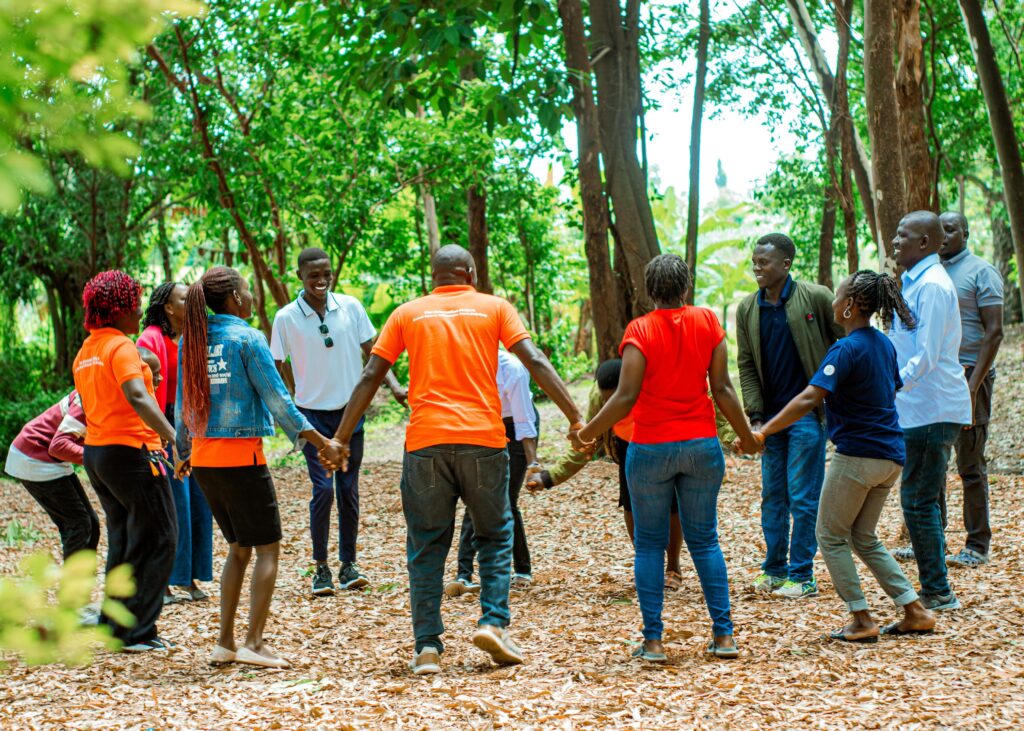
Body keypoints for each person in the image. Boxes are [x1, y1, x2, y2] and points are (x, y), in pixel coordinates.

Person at [319, 244, 583, 676]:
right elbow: (533, 359)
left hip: (425, 445)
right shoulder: (495, 308)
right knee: (495, 534)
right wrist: (575, 417)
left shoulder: (407, 313)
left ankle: (427, 647)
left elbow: (371, 374)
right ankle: (493, 623)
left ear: (434, 277)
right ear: (471, 274)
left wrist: (339, 437)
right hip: (483, 441)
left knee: (426, 545)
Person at [575, 254, 760, 662]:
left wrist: (587, 432)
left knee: (648, 545)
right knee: (705, 540)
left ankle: (654, 642)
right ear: (686, 286)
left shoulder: (639, 330)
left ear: (649, 291)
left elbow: (624, 396)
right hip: (700, 446)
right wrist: (747, 436)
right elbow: (723, 389)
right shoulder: (708, 322)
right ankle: (724, 637)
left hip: (650, 448)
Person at [743, 271, 936, 642]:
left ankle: (861, 618)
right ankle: (915, 610)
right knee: (863, 537)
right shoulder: (883, 344)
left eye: (838, 296)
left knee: (829, 534)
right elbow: (889, 390)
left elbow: (809, 397)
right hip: (890, 457)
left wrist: (764, 430)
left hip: (858, 457)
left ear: (849, 306)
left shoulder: (845, 349)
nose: (832, 301)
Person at [176, 266, 335, 669]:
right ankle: (255, 643)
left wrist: (182, 451)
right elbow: (279, 401)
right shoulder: (247, 338)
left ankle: (225, 643)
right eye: (247, 291)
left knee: (239, 548)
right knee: (267, 549)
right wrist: (323, 442)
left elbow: (182, 404)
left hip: (205, 462)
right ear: (234, 298)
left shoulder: (191, 340)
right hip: (241, 459)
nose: (250, 298)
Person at [271, 248, 407, 596]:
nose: (321, 280)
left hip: (350, 413)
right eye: (313, 275)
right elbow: (276, 365)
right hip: (311, 418)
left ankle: (349, 565)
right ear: (300, 276)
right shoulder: (286, 318)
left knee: (348, 490)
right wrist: (289, 403)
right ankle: (321, 568)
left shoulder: (351, 307)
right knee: (322, 490)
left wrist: (394, 386)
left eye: (326, 273)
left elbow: (375, 354)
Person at [72, 270, 178, 653]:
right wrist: (174, 437)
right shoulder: (121, 347)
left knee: (124, 539)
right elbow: (136, 394)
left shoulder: (85, 352)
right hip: (133, 453)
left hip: (99, 455)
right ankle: (138, 632)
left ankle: (114, 625)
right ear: (117, 309)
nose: (138, 310)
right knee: (161, 537)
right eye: (133, 304)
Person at [736, 233, 843, 599]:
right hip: (769, 421)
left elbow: (846, 340)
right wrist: (754, 417)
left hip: (808, 416)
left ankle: (802, 575)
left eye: (763, 262)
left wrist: (833, 390)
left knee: (803, 496)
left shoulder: (815, 297)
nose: (757, 268)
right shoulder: (747, 308)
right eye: (754, 262)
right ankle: (774, 569)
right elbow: (746, 364)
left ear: (786, 264)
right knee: (773, 497)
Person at [525, 359, 686, 590]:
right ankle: (649, 565)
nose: (612, 406)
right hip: (626, 447)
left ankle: (673, 567)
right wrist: (549, 477)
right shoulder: (598, 398)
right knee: (631, 505)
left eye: (616, 399)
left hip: (662, 443)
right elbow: (587, 443)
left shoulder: (654, 388)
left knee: (672, 505)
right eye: (607, 400)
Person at [889, 211, 972, 612]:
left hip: (932, 408)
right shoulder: (913, 283)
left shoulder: (934, 286)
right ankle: (936, 587)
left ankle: (937, 591)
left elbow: (927, 356)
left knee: (919, 501)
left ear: (924, 243)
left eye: (902, 235)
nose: (894, 241)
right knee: (923, 498)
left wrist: (888, 384)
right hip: (917, 408)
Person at [139, 281, 213, 603]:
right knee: (175, 504)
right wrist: (161, 434)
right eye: (185, 299)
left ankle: (189, 577)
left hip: (192, 424)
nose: (192, 304)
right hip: (164, 425)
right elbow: (145, 392)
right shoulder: (151, 338)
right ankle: (166, 581)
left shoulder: (193, 337)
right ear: (168, 307)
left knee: (198, 502)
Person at [939, 211, 1004, 568]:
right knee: (932, 462)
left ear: (964, 233)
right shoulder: (931, 272)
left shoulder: (981, 272)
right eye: (939, 230)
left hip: (969, 376)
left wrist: (972, 385)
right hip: (937, 377)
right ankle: (931, 541)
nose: (944, 235)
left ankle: (977, 545)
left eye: (950, 229)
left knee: (970, 463)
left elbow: (994, 332)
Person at [446, 349, 539, 597]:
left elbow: (524, 421)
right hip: (485, 424)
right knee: (475, 496)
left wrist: (532, 463)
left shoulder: (511, 369)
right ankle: (463, 574)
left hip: (516, 426)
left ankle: (522, 569)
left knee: (506, 498)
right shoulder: (463, 363)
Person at [3, 390, 95, 560]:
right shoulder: (88, 396)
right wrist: (99, 459)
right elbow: (59, 446)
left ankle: (83, 575)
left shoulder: (103, 394)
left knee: (91, 524)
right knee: (78, 525)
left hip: (51, 459)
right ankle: (73, 578)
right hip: (34, 456)